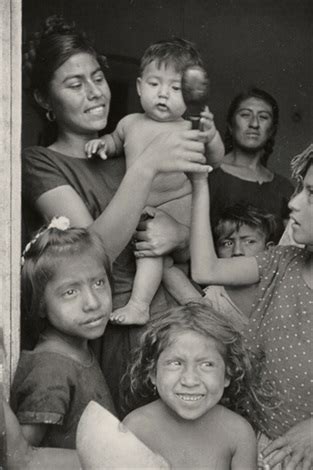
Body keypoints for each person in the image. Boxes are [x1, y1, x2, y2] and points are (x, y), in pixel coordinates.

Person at [22, 16, 211, 415]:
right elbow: (90, 254)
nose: (95, 94)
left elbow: (193, 218)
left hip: (171, 317)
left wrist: (181, 233)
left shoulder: (124, 149)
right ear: (43, 99)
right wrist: (146, 169)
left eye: (98, 79)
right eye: (75, 85)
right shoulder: (41, 163)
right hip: (116, 331)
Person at [190, 144, 313, 470]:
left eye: (311, 194)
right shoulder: (282, 261)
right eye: (300, 189)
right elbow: (206, 270)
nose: (293, 203)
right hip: (255, 444)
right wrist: (200, 185)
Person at [85, 38, 224, 325]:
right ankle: (198, 307)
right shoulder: (129, 123)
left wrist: (211, 136)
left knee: (154, 254)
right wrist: (102, 145)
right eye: (154, 84)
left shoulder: (189, 127)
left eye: (175, 88)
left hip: (178, 204)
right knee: (159, 259)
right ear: (138, 87)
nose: (163, 94)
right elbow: (115, 142)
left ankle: (139, 305)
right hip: (145, 208)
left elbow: (216, 160)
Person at [123, 302, 276, 470]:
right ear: (152, 372)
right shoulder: (135, 428)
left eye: (207, 365)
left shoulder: (239, 433)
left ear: (228, 374)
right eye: (175, 363)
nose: (190, 380)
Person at [10, 218, 116, 449]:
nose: (92, 302)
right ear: (39, 304)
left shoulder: (78, 350)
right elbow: (21, 456)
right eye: (70, 292)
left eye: (98, 283)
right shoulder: (51, 369)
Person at [163, 203, 277, 328]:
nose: (237, 251)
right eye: (227, 243)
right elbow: (167, 267)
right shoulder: (212, 298)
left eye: (249, 241)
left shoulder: (282, 287)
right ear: (215, 251)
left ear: (269, 249)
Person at [209, 88, 294, 242]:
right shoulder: (209, 175)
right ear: (230, 125)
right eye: (245, 115)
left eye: (263, 117)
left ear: (272, 130)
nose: (254, 124)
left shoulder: (284, 188)